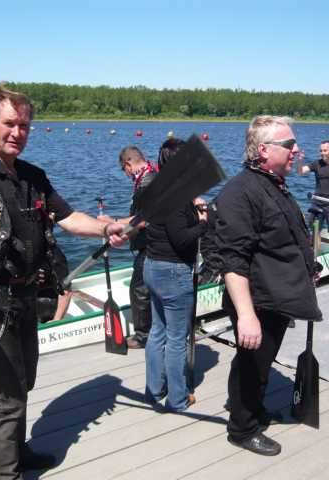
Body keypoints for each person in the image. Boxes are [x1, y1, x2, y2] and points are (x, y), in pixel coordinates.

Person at [0, 84, 126, 480]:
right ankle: (4, 475)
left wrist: (106, 228)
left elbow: (69, 218)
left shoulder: (32, 176)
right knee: (8, 393)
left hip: (25, 294)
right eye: (9, 123)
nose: (17, 132)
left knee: (23, 382)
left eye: (24, 125)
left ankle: (17, 453)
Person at [215, 115, 323, 456]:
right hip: (257, 301)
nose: (297, 150)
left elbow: (285, 235)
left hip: (277, 295)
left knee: (260, 364)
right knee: (252, 365)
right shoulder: (240, 192)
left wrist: (309, 266)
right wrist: (246, 316)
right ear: (263, 150)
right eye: (289, 144)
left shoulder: (274, 184)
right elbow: (233, 260)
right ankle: (242, 429)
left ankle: (253, 409)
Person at [143, 138, 207, 412]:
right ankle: (178, 399)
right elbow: (181, 238)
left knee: (158, 332)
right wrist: (203, 222)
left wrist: (193, 205)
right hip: (173, 271)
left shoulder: (157, 186)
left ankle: (154, 390)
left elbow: (168, 223)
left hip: (152, 265)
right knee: (177, 338)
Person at [98, 146, 157, 348]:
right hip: (150, 243)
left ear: (127, 165)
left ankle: (142, 336)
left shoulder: (147, 183)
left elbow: (144, 219)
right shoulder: (151, 176)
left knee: (139, 289)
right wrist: (125, 232)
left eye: (124, 170)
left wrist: (113, 222)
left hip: (150, 245)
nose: (126, 175)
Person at [297, 140, 329, 248]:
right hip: (317, 203)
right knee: (316, 231)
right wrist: (300, 160)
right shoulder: (317, 163)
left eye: (325, 150)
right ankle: (317, 255)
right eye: (321, 151)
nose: (322, 153)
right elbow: (300, 171)